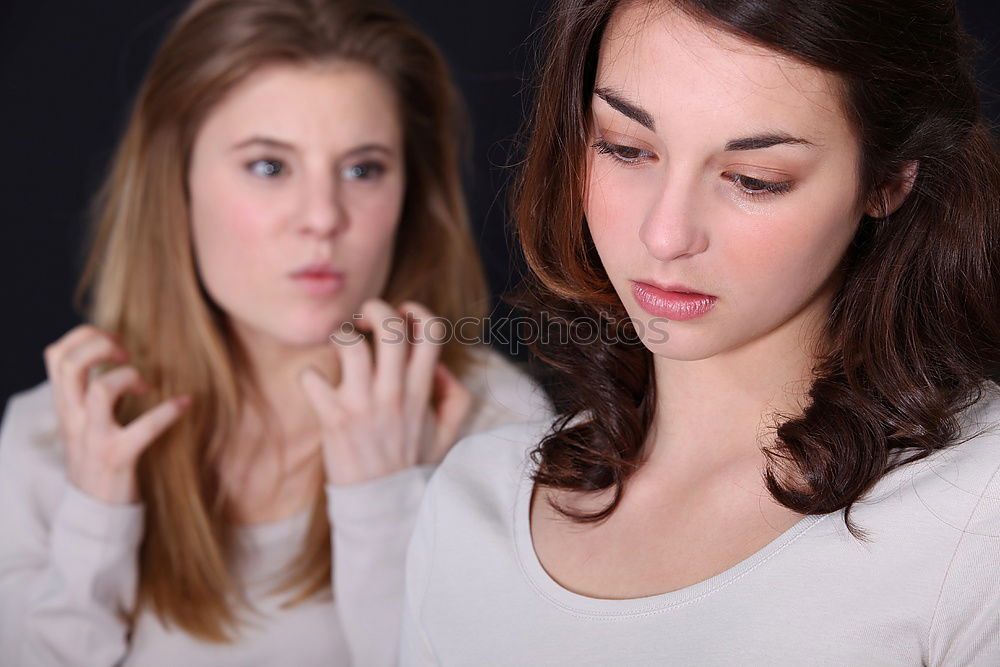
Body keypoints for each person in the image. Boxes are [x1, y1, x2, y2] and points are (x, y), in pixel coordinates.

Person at [399, 0, 1000, 664]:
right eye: (627, 148)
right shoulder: (473, 501)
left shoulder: (976, 516)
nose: (665, 233)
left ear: (889, 180)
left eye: (753, 179)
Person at [0, 0, 550, 665]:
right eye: (268, 166)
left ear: (409, 192)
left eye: (362, 169)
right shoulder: (53, 435)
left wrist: (384, 503)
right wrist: (95, 526)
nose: (322, 218)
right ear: (176, 182)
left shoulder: (494, 425)